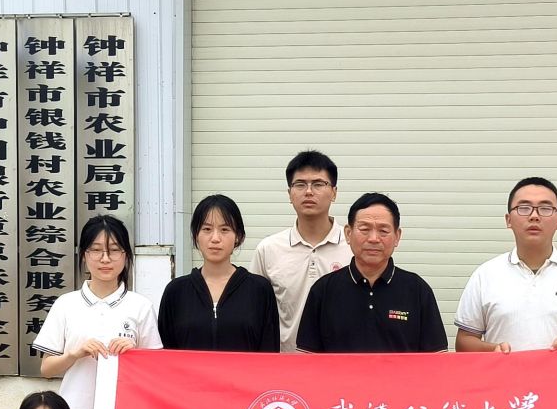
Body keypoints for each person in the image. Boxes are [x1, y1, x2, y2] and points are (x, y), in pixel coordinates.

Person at [33, 215, 161, 409]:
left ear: (126, 255)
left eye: (114, 250)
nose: (105, 259)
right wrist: (74, 354)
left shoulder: (140, 306)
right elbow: (46, 369)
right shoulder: (66, 305)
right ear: (84, 255)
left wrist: (135, 354)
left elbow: (156, 372)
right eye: (96, 250)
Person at [455, 177, 557, 352]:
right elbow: (464, 342)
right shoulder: (485, 275)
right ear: (508, 220)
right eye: (524, 208)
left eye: (545, 209)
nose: (534, 216)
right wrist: (493, 350)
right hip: (505, 371)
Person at [296, 192, 446, 353]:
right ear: (348, 233)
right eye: (364, 229)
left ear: (397, 236)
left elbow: (436, 359)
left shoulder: (417, 290)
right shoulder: (323, 290)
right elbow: (307, 359)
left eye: (383, 231)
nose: (373, 238)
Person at [250, 150, 351, 352]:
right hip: (286, 363)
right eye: (300, 184)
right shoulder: (268, 249)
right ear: (289, 194)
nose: (309, 192)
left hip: (340, 362)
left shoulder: (352, 246)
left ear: (334, 192)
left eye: (318, 184)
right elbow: (255, 312)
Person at [159, 194, 281, 352]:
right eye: (207, 229)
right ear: (196, 236)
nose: (215, 238)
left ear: (238, 236)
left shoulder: (259, 289)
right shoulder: (176, 291)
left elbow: (269, 353)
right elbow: (165, 355)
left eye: (225, 229)